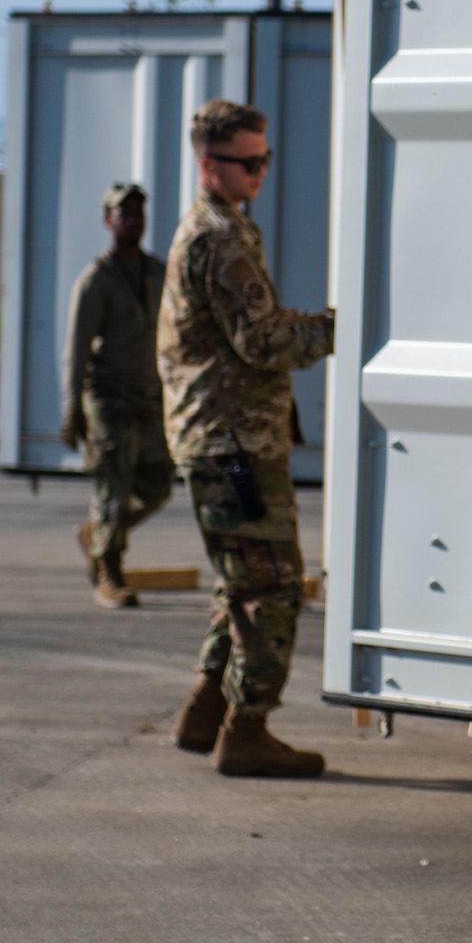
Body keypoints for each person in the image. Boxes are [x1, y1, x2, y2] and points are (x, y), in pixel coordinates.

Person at [158, 99, 334, 777]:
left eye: (266, 159)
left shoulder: (222, 227)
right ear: (209, 164)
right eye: (248, 161)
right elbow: (260, 339)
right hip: (232, 443)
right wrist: (337, 329)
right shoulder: (220, 239)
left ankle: (208, 709)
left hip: (224, 437)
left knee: (242, 581)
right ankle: (248, 728)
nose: (260, 171)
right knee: (275, 584)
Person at [61, 182, 173, 609]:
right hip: (107, 396)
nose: (132, 221)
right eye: (123, 214)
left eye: (138, 213)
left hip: (148, 393)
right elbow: (76, 346)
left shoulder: (157, 272)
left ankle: (98, 534)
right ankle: (108, 571)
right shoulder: (96, 280)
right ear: (107, 221)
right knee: (112, 483)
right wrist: (73, 407)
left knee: (157, 483)